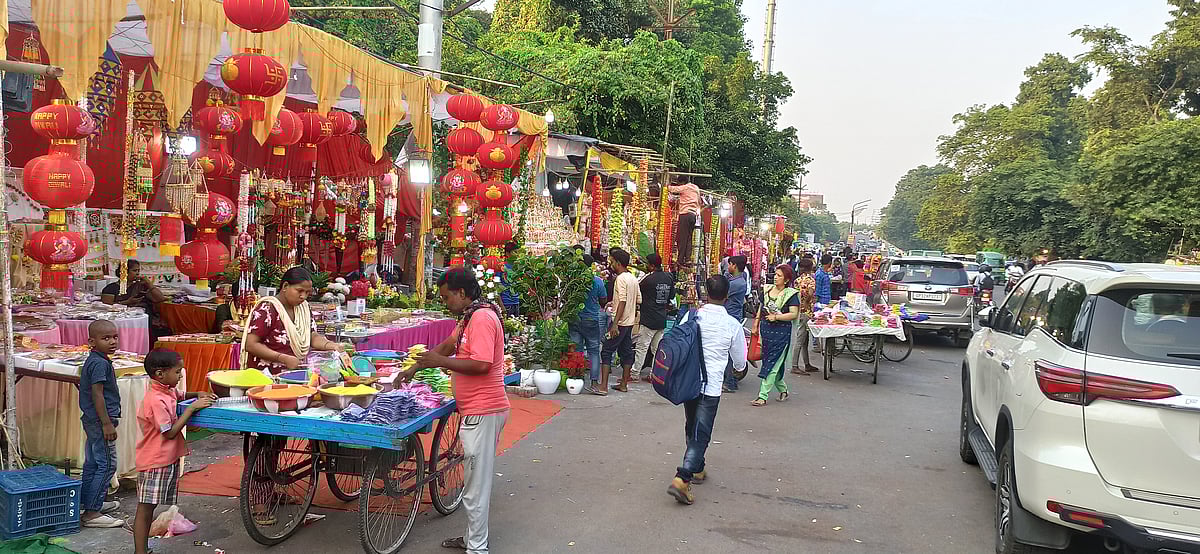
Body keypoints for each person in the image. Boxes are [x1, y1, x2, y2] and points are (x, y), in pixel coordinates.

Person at [401, 267, 509, 554]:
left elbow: (481, 364)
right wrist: (417, 365)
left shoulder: (482, 318)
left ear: (462, 293)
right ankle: (472, 539)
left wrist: (439, 363)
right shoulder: (469, 316)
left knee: (475, 487)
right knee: (473, 483)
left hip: (484, 411)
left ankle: (477, 547)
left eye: (447, 297)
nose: (444, 302)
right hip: (476, 410)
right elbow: (448, 346)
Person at [667, 275, 747, 505]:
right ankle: (683, 478)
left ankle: (698, 468)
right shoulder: (732, 324)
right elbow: (740, 363)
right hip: (711, 386)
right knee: (701, 433)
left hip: (688, 381)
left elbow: (676, 340)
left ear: (706, 293)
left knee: (692, 424)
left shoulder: (692, 316)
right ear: (727, 295)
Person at [133, 350, 215, 554]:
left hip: (165, 459)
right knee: (145, 509)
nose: (180, 376)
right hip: (154, 461)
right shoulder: (155, 400)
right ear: (160, 374)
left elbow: (180, 395)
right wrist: (191, 409)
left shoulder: (167, 390)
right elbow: (168, 433)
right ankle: (140, 551)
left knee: (149, 507)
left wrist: (197, 394)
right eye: (178, 372)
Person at [241, 267, 344, 375]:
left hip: (295, 375)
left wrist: (332, 345)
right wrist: (282, 358)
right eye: (299, 291)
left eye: (307, 292)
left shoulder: (304, 308)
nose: (303, 296)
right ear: (285, 286)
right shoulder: (267, 309)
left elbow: (311, 336)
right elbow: (251, 344)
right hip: (267, 376)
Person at [79, 320, 124, 528]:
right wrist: (106, 423)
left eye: (114, 337)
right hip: (100, 421)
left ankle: (89, 502)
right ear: (92, 341)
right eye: (106, 338)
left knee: (93, 463)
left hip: (91, 419)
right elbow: (97, 394)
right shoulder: (99, 363)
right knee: (107, 464)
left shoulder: (98, 359)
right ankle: (92, 513)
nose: (112, 342)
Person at [752, 265, 800, 407]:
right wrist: (756, 323)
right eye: (775, 274)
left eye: (779, 275)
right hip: (766, 332)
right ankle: (783, 390)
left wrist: (777, 317)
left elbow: (793, 314)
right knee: (771, 362)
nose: (775, 277)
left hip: (781, 333)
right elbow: (761, 308)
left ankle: (762, 396)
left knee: (772, 365)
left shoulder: (790, 294)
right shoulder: (767, 290)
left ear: (786, 279)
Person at [600, 248, 641, 393]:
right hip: (629, 322)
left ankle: (603, 386)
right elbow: (637, 300)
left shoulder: (621, 279)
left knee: (607, 350)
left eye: (612, 261)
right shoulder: (633, 278)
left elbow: (623, 301)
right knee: (626, 352)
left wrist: (615, 324)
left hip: (621, 322)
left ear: (618, 263)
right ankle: (623, 384)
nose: (610, 264)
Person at [101, 260, 171, 343]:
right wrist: (127, 302)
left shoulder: (141, 286)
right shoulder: (111, 288)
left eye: (138, 271)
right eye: (134, 270)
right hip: (120, 322)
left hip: (142, 321)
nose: (137, 273)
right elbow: (106, 307)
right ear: (124, 272)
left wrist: (149, 284)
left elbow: (160, 298)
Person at [634, 253, 675, 381]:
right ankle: (654, 374)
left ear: (651, 265)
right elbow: (672, 296)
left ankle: (634, 373)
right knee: (656, 349)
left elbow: (638, 293)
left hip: (649, 318)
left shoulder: (648, 280)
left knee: (642, 347)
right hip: (661, 318)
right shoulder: (668, 277)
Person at [570, 255, 608, 395]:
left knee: (577, 349)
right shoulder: (597, 281)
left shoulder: (572, 280)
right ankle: (593, 383)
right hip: (591, 319)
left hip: (574, 318)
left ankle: (577, 379)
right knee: (593, 351)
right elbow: (603, 300)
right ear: (591, 265)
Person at [721, 255, 749, 393]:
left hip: (731, 317)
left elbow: (723, 293)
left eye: (730, 264)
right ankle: (728, 380)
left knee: (729, 352)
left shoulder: (738, 283)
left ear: (735, 266)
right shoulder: (738, 277)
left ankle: (730, 382)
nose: (728, 267)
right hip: (730, 315)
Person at [790, 258, 820, 375]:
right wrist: (807, 302)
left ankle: (807, 364)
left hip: (798, 311)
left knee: (804, 340)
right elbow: (811, 293)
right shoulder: (811, 280)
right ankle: (794, 365)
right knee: (800, 340)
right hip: (806, 312)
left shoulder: (797, 280)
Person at [667, 180, 701, 265]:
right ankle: (688, 259)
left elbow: (672, 189)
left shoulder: (685, 187)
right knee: (688, 238)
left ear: (682, 182)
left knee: (681, 237)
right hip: (693, 215)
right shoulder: (696, 188)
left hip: (685, 214)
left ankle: (680, 259)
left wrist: (666, 185)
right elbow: (699, 201)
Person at [500, 241, 521, 316]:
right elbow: (497, 288)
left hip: (516, 302)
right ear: (507, 254)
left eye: (518, 252)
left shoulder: (519, 267)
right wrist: (502, 308)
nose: (517, 255)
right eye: (515, 252)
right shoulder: (501, 267)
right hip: (506, 304)